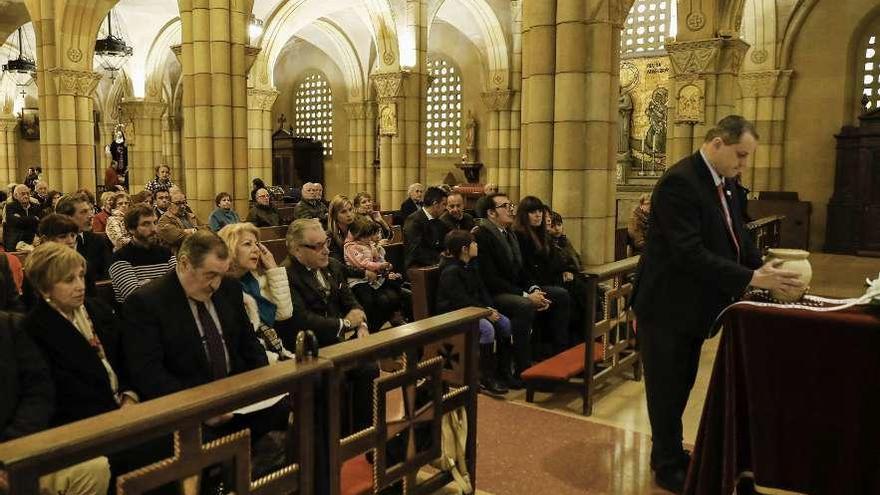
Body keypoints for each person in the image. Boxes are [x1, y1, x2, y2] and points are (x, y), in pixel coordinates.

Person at [631, 115, 803, 493]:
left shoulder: (723, 183)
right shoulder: (680, 182)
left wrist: (762, 266)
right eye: (740, 155)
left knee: (682, 383)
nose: (742, 164)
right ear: (716, 142)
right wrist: (751, 279)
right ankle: (667, 466)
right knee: (667, 388)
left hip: (691, 308)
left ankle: (669, 453)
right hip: (665, 306)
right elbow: (688, 253)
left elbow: (736, 234)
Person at [278, 218, 376, 434]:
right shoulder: (286, 275)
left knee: (369, 367)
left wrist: (362, 326)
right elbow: (302, 320)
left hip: (337, 341)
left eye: (326, 243)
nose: (325, 250)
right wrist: (347, 323)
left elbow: (351, 302)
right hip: (309, 349)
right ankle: (333, 438)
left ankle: (362, 434)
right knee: (332, 377)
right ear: (296, 249)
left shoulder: (332, 265)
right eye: (317, 246)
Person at [0, 310, 112, 495]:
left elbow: (38, 393)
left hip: (18, 446)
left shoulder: (10, 326)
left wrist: (12, 450)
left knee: (92, 469)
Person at [473, 193, 568, 388]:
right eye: (505, 206)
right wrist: (526, 295)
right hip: (493, 295)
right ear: (491, 213)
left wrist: (533, 288)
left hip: (513, 289)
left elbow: (521, 269)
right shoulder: (482, 235)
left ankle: (557, 356)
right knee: (524, 305)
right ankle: (522, 370)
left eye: (511, 205)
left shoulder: (508, 232)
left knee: (560, 295)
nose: (511, 209)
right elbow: (490, 279)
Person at [436, 230, 511, 395]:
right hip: (454, 314)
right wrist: (485, 312)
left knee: (505, 323)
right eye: (474, 243)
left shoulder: (472, 265)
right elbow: (461, 301)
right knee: (487, 329)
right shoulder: (451, 271)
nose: (477, 245)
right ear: (464, 248)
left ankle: (504, 372)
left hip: (474, 310)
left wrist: (491, 308)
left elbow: (482, 291)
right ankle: (485, 378)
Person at [217, 222, 293, 361]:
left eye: (257, 244)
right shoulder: (220, 287)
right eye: (247, 244)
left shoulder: (254, 280)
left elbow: (283, 314)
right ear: (229, 248)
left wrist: (273, 268)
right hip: (255, 363)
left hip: (273, 352)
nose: (256, 250)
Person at [511, 196, 573, 354]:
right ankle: (560, 350)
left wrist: (566, 270)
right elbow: (523, 268)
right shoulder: (520, 235)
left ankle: (579, 343)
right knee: (562, 294)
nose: (538, 215)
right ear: (524, 215)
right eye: (533, 212)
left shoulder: (543, 234)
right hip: (531, 284)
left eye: (540, 211)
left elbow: (556, 260)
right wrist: (534, 288)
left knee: (579, 288)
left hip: (547, 279)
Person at [343, 216, 410, 331]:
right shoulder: (351, 247)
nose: (369, 239)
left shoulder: (368, 244)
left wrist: (385, 266)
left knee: (396, 286)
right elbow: (362, 263)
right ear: (358, 235)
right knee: (369, 300)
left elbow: (377, 259)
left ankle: (397, 315)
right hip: (358, 280)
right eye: (367, 236)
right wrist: (379, 266)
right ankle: (365, 326)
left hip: (374, 277)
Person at [109, 205, 177, 303]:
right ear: (131, 229)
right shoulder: (120, 257)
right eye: (146, 224)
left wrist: (147, 283)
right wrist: (166, 285)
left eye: (154, 223)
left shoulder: (166, 253)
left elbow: (180, 287)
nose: (154, 229)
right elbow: (134, 297)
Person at [56, 193, 112, 286]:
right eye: (83, 212)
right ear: (67, 217)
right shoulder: (54, 242)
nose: (91, 216)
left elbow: (106, 278)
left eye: (90, 211)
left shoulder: (98, 241)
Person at [403, 186, 449, 271]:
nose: (445, 208)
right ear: (435, 204)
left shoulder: (439, 222)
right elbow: (417, 251)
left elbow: (444, 244)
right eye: (444, 204)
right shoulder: (414, 221)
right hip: (417, 267)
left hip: (435, 262)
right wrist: (441, 259)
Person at [4, 184, 41, 250]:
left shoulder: (36, 207)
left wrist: (21, 219)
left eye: (27, 193)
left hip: (36, 239)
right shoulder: (10, 207)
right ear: (15, 196)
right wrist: (33, 218)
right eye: (23, 194)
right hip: (17, 240)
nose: (26, 196)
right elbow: (15, 225)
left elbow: (40, 223)